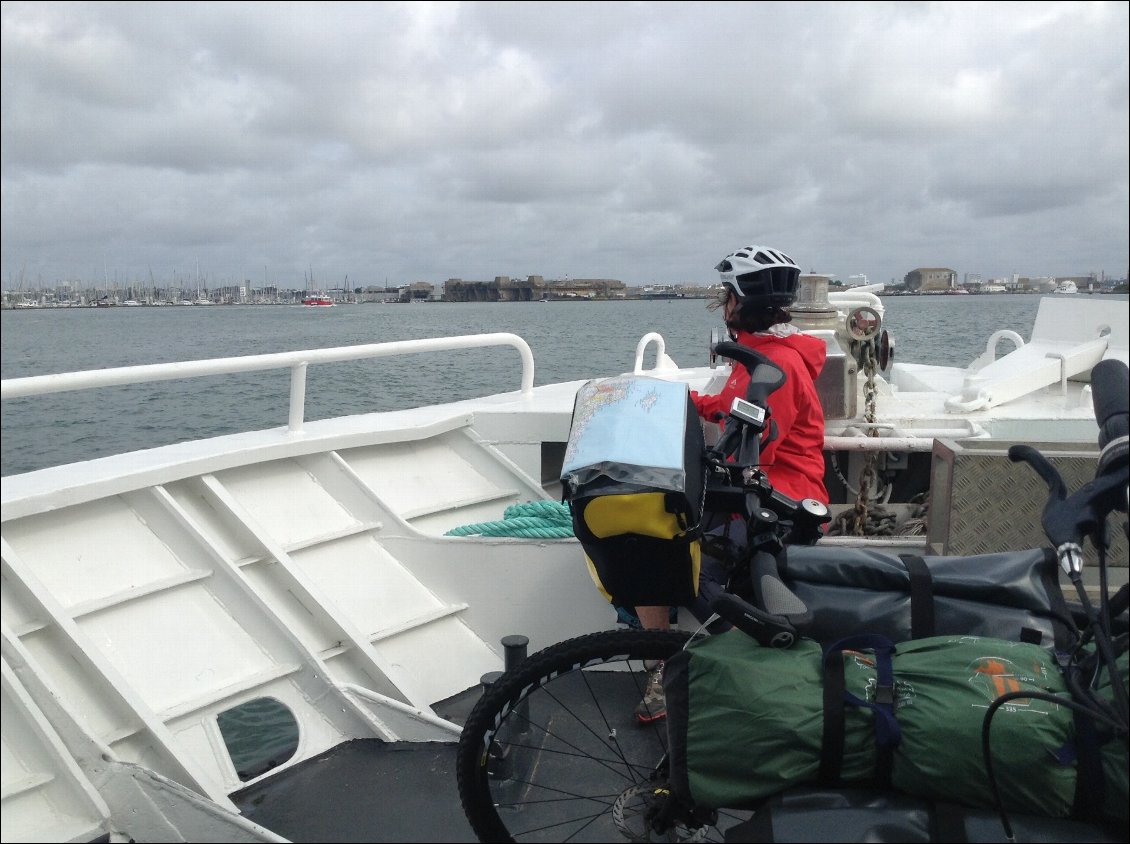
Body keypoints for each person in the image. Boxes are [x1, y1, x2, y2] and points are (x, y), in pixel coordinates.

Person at [633, 244, 829, 724]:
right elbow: (732, 409)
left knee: (655, 553)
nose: (724, 305)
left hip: (776, 503)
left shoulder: (773, 368)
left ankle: (721, 666)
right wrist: (685, 400)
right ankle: (685, 658)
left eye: (726, 296)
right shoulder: (761, 358)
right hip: (771, 490)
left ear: (738, 302)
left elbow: (755, 457)